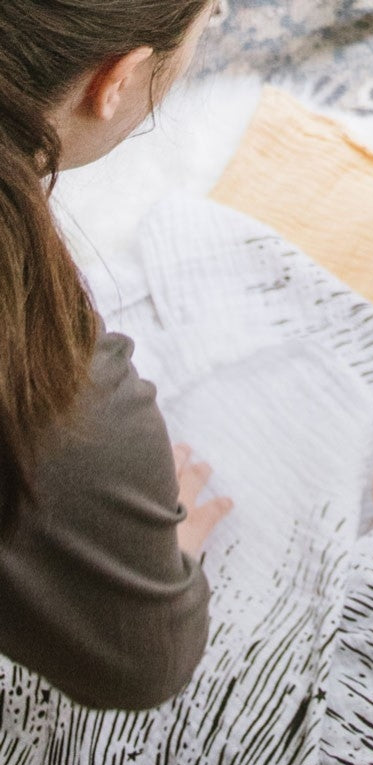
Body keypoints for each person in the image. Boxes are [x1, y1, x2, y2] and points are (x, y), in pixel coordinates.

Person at [0, 1, 232, 710]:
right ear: (117, 79)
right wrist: (175, 549)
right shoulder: (54, 392)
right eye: (212, 17)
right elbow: (144, 662)